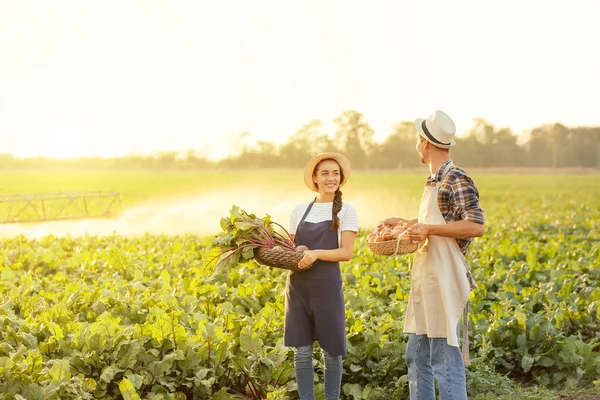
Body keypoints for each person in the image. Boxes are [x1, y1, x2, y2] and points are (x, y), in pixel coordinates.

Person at [382, 110, 485, 400]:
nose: (416, 145)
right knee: (416, 356)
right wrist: (407, 224)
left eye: (417, 140)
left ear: (424, 143)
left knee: (443, 359)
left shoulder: (456, 178)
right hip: (427, 278)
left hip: (443, 278)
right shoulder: (433, 180)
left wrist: (427, 228)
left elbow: (476, 225)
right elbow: (439, 223)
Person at [286, 152, 358, 400]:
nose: (331, 178)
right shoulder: (298, 211)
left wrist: (316, 253)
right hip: (298, 287)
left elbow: (346, 253)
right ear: (315, 178)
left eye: (335, 173)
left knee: (332, 352)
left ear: (341, 178)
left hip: (327, 286)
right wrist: (300, 250)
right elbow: (291, 248)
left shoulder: (346, 211)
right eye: (325, 173)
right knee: (302, 352)